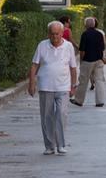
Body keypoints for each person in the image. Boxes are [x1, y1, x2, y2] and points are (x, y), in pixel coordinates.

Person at [28, 21, 77, 155]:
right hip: (45, 86)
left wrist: (74, 85)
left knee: (61, 114)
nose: (55, 37)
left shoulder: (68, 47)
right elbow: (34, 65)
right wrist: (31, 83)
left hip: (63, 86)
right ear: (48, 34)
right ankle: (49, 146)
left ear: (62, 34)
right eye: (52, 34)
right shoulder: (42, 45)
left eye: (57, 34)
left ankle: (61, 145)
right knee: (47, 116)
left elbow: (73, 67)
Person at [70, 17, 106, 107]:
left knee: (83, 81)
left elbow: (82, 50)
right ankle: (100, 101)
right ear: (94, 24)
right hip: (99, 60)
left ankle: (79, 101)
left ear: (85, 25)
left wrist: (81, 60)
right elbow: (103, 48)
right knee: (99, 81)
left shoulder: (85, 34)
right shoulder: (99, 34)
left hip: (88, 60)